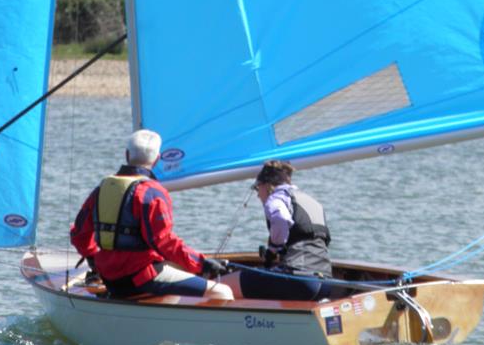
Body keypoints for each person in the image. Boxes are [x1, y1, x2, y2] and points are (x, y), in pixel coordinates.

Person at [70, 129, 234, 300]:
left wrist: (92, 258)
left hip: (109, 278)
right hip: (139, 279)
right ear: (157, 159)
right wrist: (202, 263)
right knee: (223, 292)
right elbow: (164, 241)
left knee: (174, 274)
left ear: (127, 155)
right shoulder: (151, 192)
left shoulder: (101, 189)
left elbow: (78, 235)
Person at [230, 159, 335, 301]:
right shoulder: (312, 202)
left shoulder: (275, 199)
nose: (257, 194)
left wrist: (273, 250)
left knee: (222, 285)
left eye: (257, 188)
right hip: (325, 283)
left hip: (298, 280)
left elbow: (281, 219)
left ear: (266, 185)